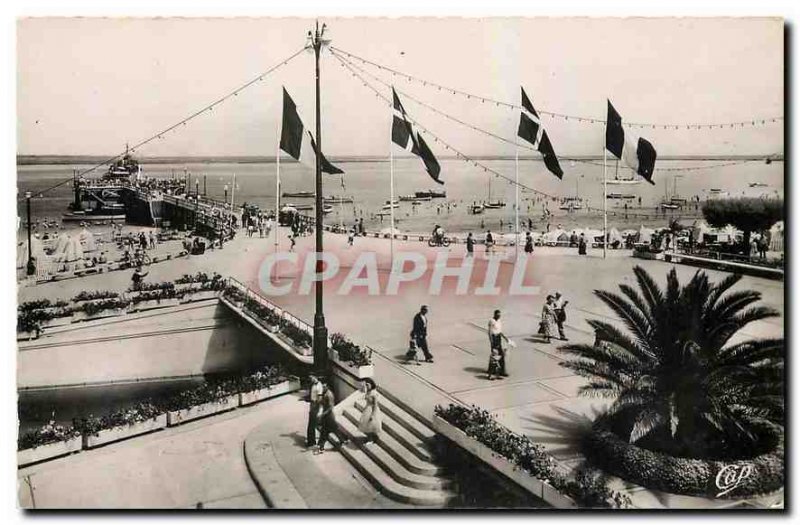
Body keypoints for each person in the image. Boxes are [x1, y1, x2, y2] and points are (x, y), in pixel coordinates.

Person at [487, 309, 511, 380]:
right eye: (497, 315)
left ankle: (501, 371)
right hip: (494, 338)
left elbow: (500, 331)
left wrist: (505, 337)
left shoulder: (499, 321)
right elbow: (490, 333)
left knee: (501, 355)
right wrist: (492, 343)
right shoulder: (491, 321)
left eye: (499, 315)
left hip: (498, 337)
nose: (499, 316)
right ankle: (492, 371)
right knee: (495, 356)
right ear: (494, 314)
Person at [314, 383, 338, 455]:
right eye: (322, 387)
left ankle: (321, 447)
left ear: (327, 387)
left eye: (324, 387)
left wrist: (322, 414)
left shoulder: (329, 394)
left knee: (326, 431)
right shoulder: (324, 394)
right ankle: (321, 447)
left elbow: (331, 407)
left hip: (329, 416)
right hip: (326, 416)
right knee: (328, 431)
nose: (323, 388)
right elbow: (322, 403)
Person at [357, 378, 382, 443]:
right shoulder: (368, 392)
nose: (367, 386)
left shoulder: (374, 394)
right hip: (367, 409)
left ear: (371, 385)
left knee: (370, 425)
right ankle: (369, 437)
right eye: (366, 385)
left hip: (372, 410)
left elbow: (375, 405)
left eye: (368, 385)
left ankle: (371, 439)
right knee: (365, 425)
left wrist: (373, 415)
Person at [306, 375, 324, 448]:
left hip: (315, 405)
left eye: (311, 378)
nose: (310, 379)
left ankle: (312, 442)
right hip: (312, 404)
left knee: (311, 425)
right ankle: (311, 441)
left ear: (315, 377)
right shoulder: (312, 384)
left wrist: (315, 407)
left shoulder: (319, 386)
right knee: (312, 424)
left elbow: (319, 398)